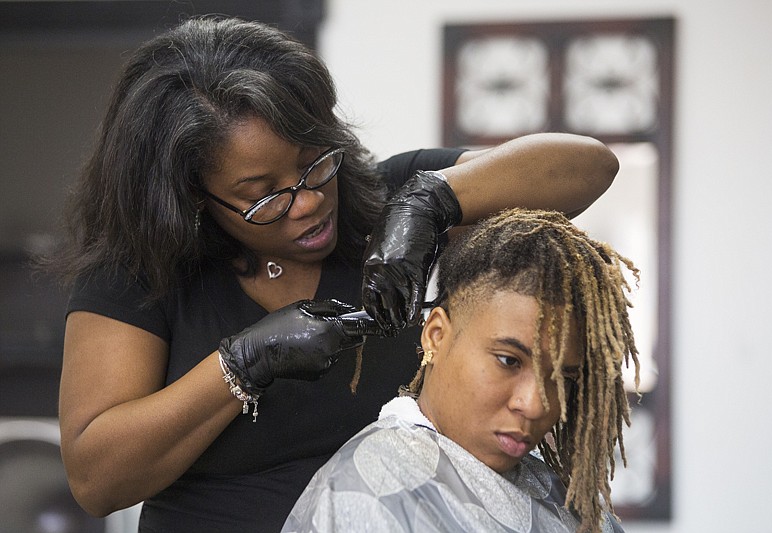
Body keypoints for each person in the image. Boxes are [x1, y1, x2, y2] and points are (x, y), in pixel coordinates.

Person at [51, 14, 620, 532]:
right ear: (194, 199)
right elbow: (97, 479)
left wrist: (431, 200)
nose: (306, 203)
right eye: (260, 195)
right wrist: (242, 364)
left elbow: (589, 165)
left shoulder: (385, 200)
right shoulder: (141, 269)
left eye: (314, 164)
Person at [282, 208, 640, 533]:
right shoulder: (364, 492)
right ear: (436, 335)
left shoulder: (574, 503)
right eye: (508, 361)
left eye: (563, 378)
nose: (534, 405)